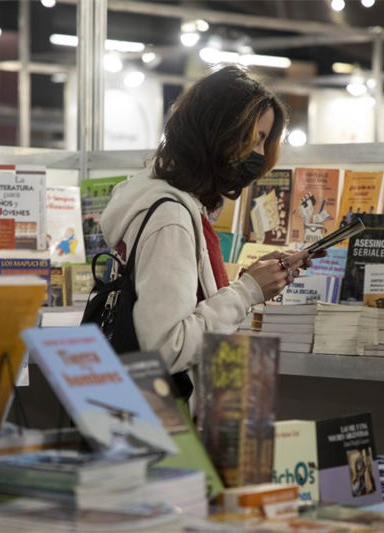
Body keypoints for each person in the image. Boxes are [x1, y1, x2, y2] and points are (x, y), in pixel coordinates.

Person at [100, 65, 323, 393]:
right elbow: (166, 347)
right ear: (218, 131)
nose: (259, 156)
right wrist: (246, 292)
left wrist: (252, 282)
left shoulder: (166, 203)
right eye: (256, 139)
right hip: (171, 420)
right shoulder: (172, 218)